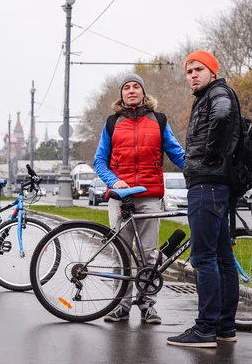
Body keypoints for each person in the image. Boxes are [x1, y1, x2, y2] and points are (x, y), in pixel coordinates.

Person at [93, 73, 186, 325]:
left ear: (144, 93)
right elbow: (99, 161)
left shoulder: (158, 120)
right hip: (121, 197)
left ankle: (147, 306)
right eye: (126, 88)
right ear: (121, 94)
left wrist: (198, 169)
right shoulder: (112, 123)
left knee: (148, 255)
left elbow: (177, 153)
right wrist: (114, 181)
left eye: (136, 87)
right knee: (120, 253)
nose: (131, 91)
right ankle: (120, 306)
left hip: (149, 194)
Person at [166, 51, 240, 348]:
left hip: (207, 185)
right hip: (213, 185)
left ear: (212, 71)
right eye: (189, 71)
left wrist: (210, 154)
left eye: (199, 69)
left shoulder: (217, 93)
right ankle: (225, 328)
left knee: (203, 258)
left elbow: (222, 117)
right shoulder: (209, 95)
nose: (193, 75)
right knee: (223, 258)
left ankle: (205, 329)